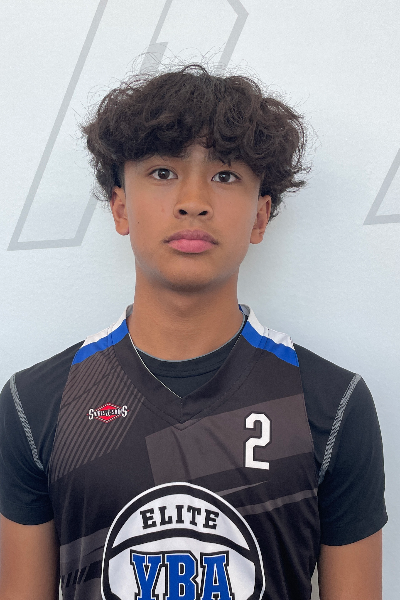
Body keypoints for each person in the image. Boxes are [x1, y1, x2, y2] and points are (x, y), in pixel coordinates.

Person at [0, 64, 387, 600]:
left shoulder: (331, 403)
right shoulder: (36, 403)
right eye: (163, 172)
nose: (193, 200)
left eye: (224, 176)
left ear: (260, 217)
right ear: (120, 207)